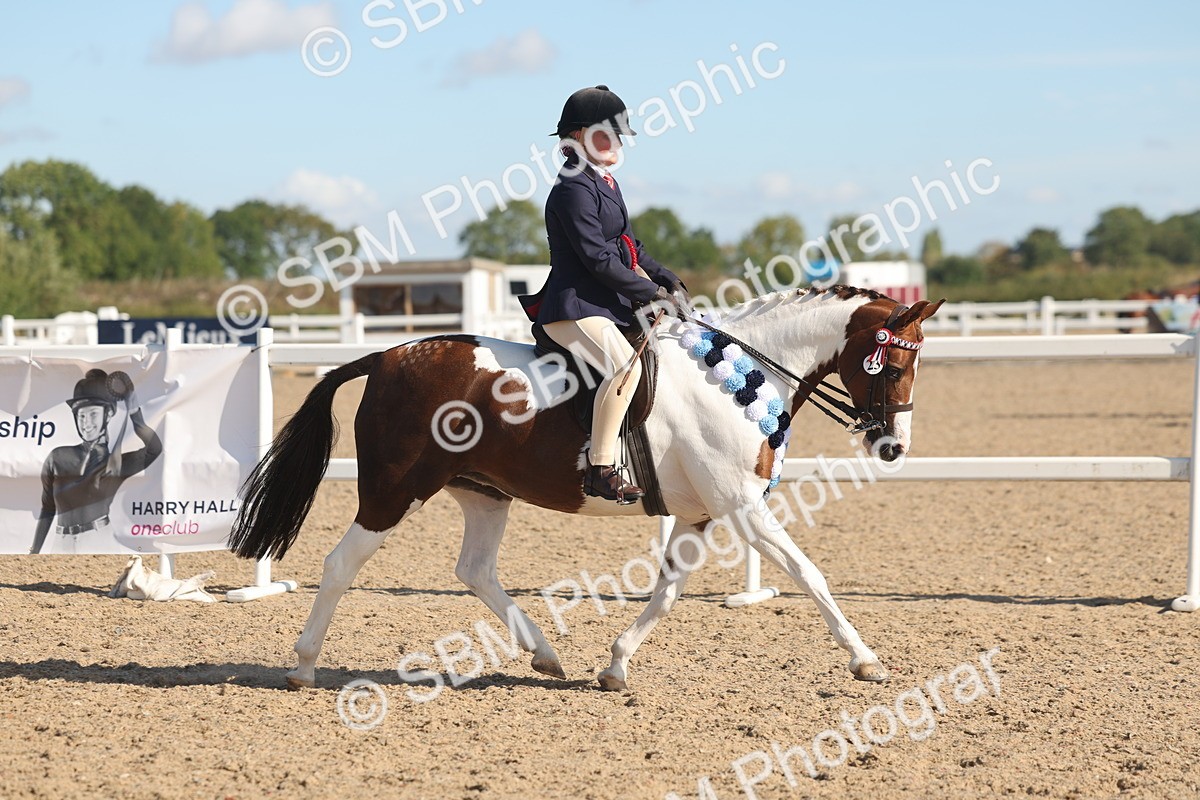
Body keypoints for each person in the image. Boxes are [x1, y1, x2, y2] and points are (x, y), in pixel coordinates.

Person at [532, 84, 689, 503]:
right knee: (625, 367)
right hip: (574, 306)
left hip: (603, 305)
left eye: (620, 136)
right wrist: (652, 292)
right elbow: (598, 259)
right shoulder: (571, 188)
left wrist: (668, 280)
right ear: (578, 136)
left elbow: (630, 246)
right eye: (607, 134)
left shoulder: (607, 184)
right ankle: (601, 468)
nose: (617, 143)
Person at [30, 369, 162, 554]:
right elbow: (48, 507)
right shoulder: (57, 457)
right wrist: (34, 550)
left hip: (98, 540)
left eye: (93, 414)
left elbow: (154, 449)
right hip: (60, 543)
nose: (86, 423)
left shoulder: (117, 464)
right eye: (81, 416)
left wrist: (133, 409)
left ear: (108, 415)